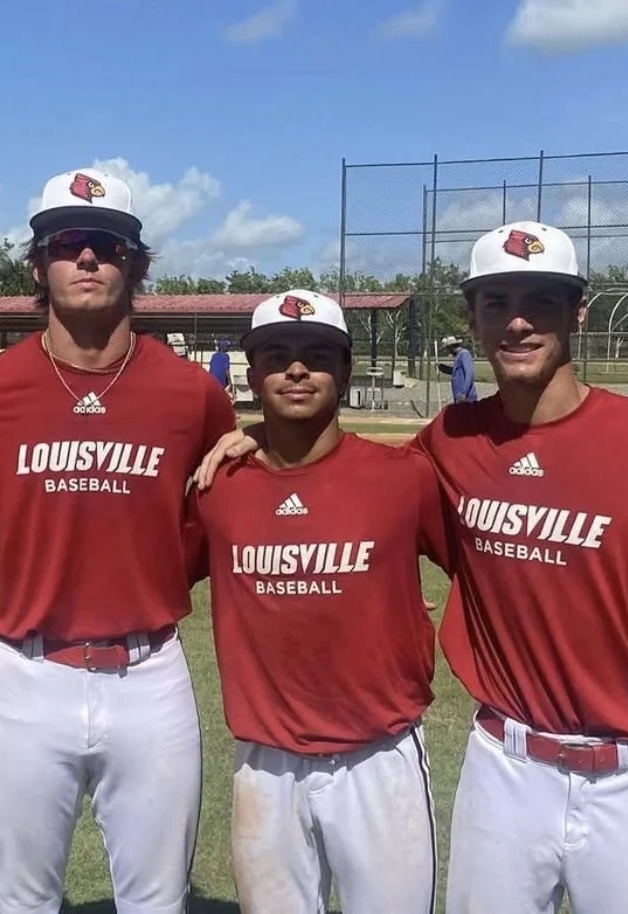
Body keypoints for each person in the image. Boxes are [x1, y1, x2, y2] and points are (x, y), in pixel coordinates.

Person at [194, 219, 628, 914]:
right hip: (497, 764)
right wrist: (256, 436)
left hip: (621, 768)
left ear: (577, 311)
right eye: (497, 303)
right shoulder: (443, 445)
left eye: (540, 300)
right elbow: (313, 473)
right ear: (472, 318)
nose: (518, 321)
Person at [0, 166, 238, 913]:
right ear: (37, 265)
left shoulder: (190, 391)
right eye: (66, 243)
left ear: (136, 265)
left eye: (107, 245)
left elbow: (224, 507)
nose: (86, 258)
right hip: (25, 675)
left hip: (149, 676)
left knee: (156, 901)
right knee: (18, 899)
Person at [185, 289, 453, 913]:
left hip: (378, 759)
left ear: (347, 368)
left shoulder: (403, 477)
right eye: (276, 355)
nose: (296, 368)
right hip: (267, 766)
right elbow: (149, 577)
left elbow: (491, 569)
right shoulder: (215, 487)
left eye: (316, 354)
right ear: (252, 374)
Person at [438, 334, 478, 403]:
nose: (448, 351)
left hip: (466, 397)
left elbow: (469, 374)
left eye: (448, 349)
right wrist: (442, 367)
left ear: (451, 347)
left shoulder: (464, 354)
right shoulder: (458, 356)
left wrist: (464, 393)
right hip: (459, 396)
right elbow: (455, 372)